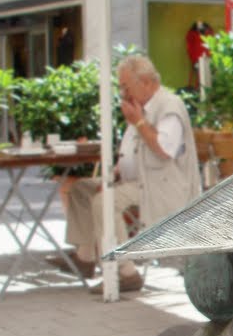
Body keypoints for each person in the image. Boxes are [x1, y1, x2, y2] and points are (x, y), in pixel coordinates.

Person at [49, 55, 201, 293]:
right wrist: (115, 174)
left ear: (146, 82)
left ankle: (125, 272)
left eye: (125, 86)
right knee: (81, 189)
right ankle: (85, 257)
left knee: (104, 202)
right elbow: (131, 151)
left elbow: (164, 150)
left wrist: (138, 122)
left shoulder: (169, 106)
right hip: (133, 180)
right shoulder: (141, 105)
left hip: (160, 186)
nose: (122, 92)